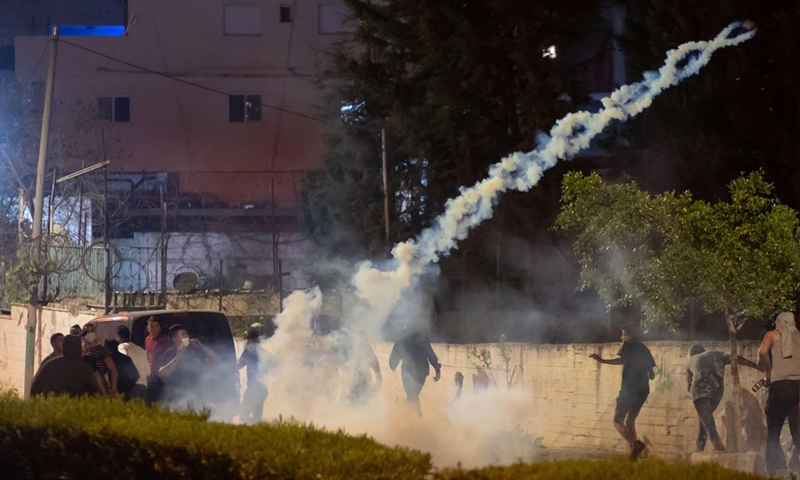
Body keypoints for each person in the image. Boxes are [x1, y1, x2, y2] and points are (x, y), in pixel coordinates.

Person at [589, 325, 655, 460]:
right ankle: (634, 453)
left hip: (629, 389)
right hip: (643, 391)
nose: (622, 337)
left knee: (617, 420)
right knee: (630, 420)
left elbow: (621, 360)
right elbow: (652, 375)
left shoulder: (627, 346)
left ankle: (636, 444)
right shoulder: (644, 349)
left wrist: (602, 360)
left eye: (624, 334)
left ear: (631, 335)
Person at [686, 344, 762, 452]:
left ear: (692, 354)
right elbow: (737, 359)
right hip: (716, 393)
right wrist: (757, 366)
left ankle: (719, 449)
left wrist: (693, 392)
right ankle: (700, 446)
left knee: (708, 424)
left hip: (700, 392)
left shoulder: (691, 360)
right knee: (704, 420)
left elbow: (688, 386)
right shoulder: (717, 354)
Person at [759, 311, 800, 476]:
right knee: (798, 433)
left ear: (778, 322)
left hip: (780, 387)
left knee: (774, 431)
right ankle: (796, 467)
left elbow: (762, 352)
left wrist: (769, 370)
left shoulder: (772, 335)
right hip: (799, 387)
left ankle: (773, 469)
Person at [158, 324, 221, 408]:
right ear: (175, 339)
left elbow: (217, 361)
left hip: (197, 397)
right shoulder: (170, 353)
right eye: (183, 334)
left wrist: (201, 346)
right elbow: (163, 374)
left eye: (186, 334)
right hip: (176, 399)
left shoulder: (194, 351)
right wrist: (177, 357)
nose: (186, 336)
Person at [389, 330, 441, 415]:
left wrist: (393, 365)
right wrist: (437, 370)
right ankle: (413, 418)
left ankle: (415, 417)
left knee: (411, 394)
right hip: (420, 372)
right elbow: (431, 354)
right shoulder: (422, 338)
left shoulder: (402, 339)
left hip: (409, 371)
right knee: (413, 394)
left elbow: (395, 354)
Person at [31, 334, 101, 397]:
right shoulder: (84, 368)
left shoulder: (51, 364)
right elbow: (95, 391)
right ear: (79, 348)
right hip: (76, 407)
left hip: (53, 406)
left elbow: (36, 387)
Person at [237, 325, 273, 424]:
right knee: (257, 417)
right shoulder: (267, 354)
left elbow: (238, 365)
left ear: (254, 340)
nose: (247, 343)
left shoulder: (249, 351)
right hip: (263, 389)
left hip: (254, 389)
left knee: (243, 416)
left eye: (248, 340)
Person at [81, 323, 118, 398]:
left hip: (100, 388)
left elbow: (113, 369)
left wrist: (113, 389)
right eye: (87, 332)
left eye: (92, 331)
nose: (90, 334)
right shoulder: (82, 351)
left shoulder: (102, 350)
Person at [116, 325, 149, 402]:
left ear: (118, 336)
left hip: (131, 387)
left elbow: (123, 362)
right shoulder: (140, 349)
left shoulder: (122, 347)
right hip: (143, 386)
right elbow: (148, 372)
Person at [145, 316, 171, 404]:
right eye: (151, 326)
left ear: (160, 327)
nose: (154, 329)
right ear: (147, 327)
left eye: (156, 326)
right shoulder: (147, 339)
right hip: (151, 376)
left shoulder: (164, 340)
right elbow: (148, 354)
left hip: (161, 377)